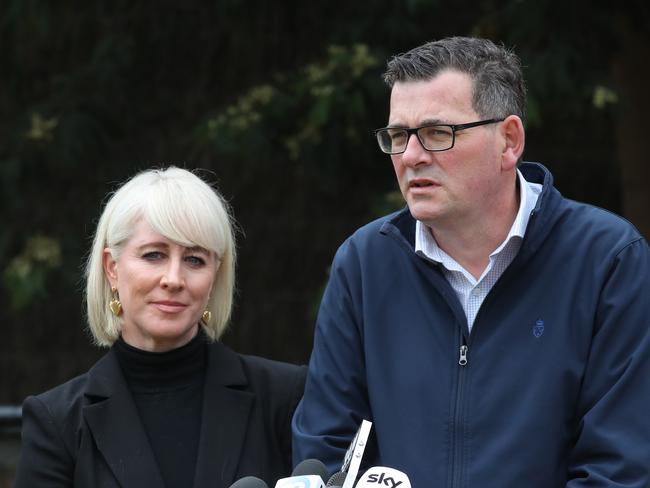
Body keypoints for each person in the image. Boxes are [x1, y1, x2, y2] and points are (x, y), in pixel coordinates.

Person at [292, 37, 650, 487]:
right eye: (398, 136)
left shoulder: (606, 260)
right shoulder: (365, 264)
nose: (411, 156)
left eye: (439, 134)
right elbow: (326, 452)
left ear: (509, 141)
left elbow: (620, 469)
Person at [14, 167, 306, 488]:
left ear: (215, 275)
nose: (174, 279)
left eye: (194, 259)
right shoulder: (56, 421)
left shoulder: (284, 397)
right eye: (154, 255)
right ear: (112, 268)